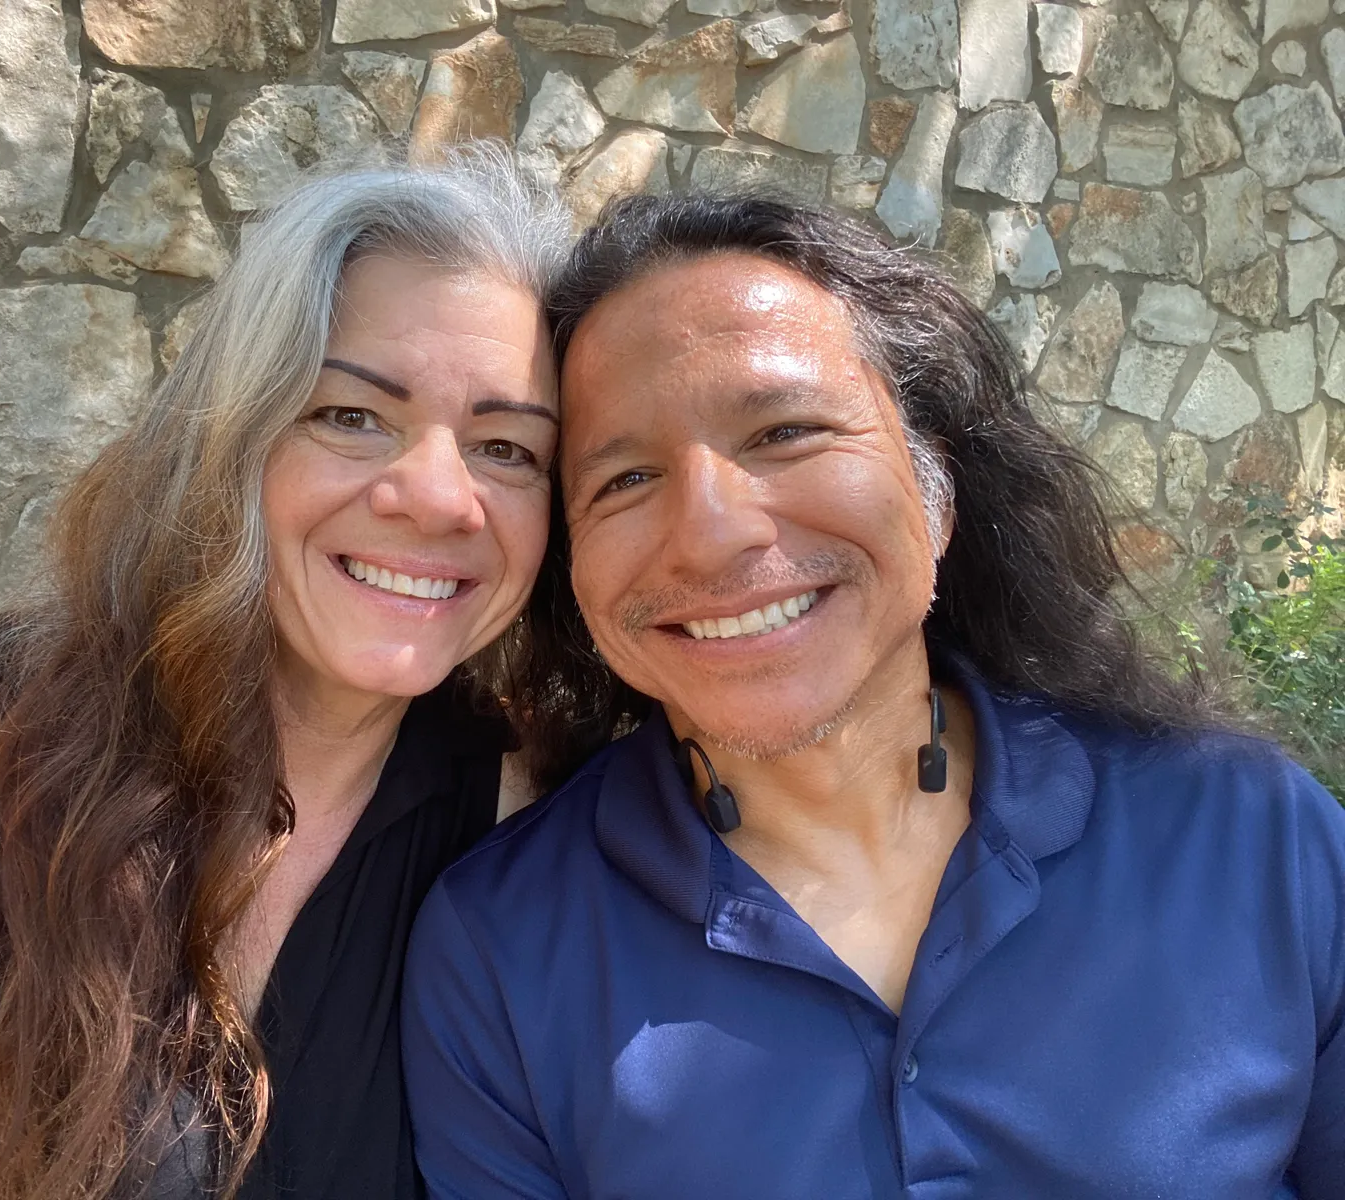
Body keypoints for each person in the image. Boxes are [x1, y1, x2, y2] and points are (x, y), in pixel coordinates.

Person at [402, 194, 1345, 1198]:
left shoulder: (1247, 837)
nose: (712, 531)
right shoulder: (500, 954)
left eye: (784, 432)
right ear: (574, 576)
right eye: (625, 479)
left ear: (936, 482)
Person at [0, 150, 571, 1200]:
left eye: (507, 449)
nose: (442, 499)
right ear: (229, 438)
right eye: (350, 416)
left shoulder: (528, 834)